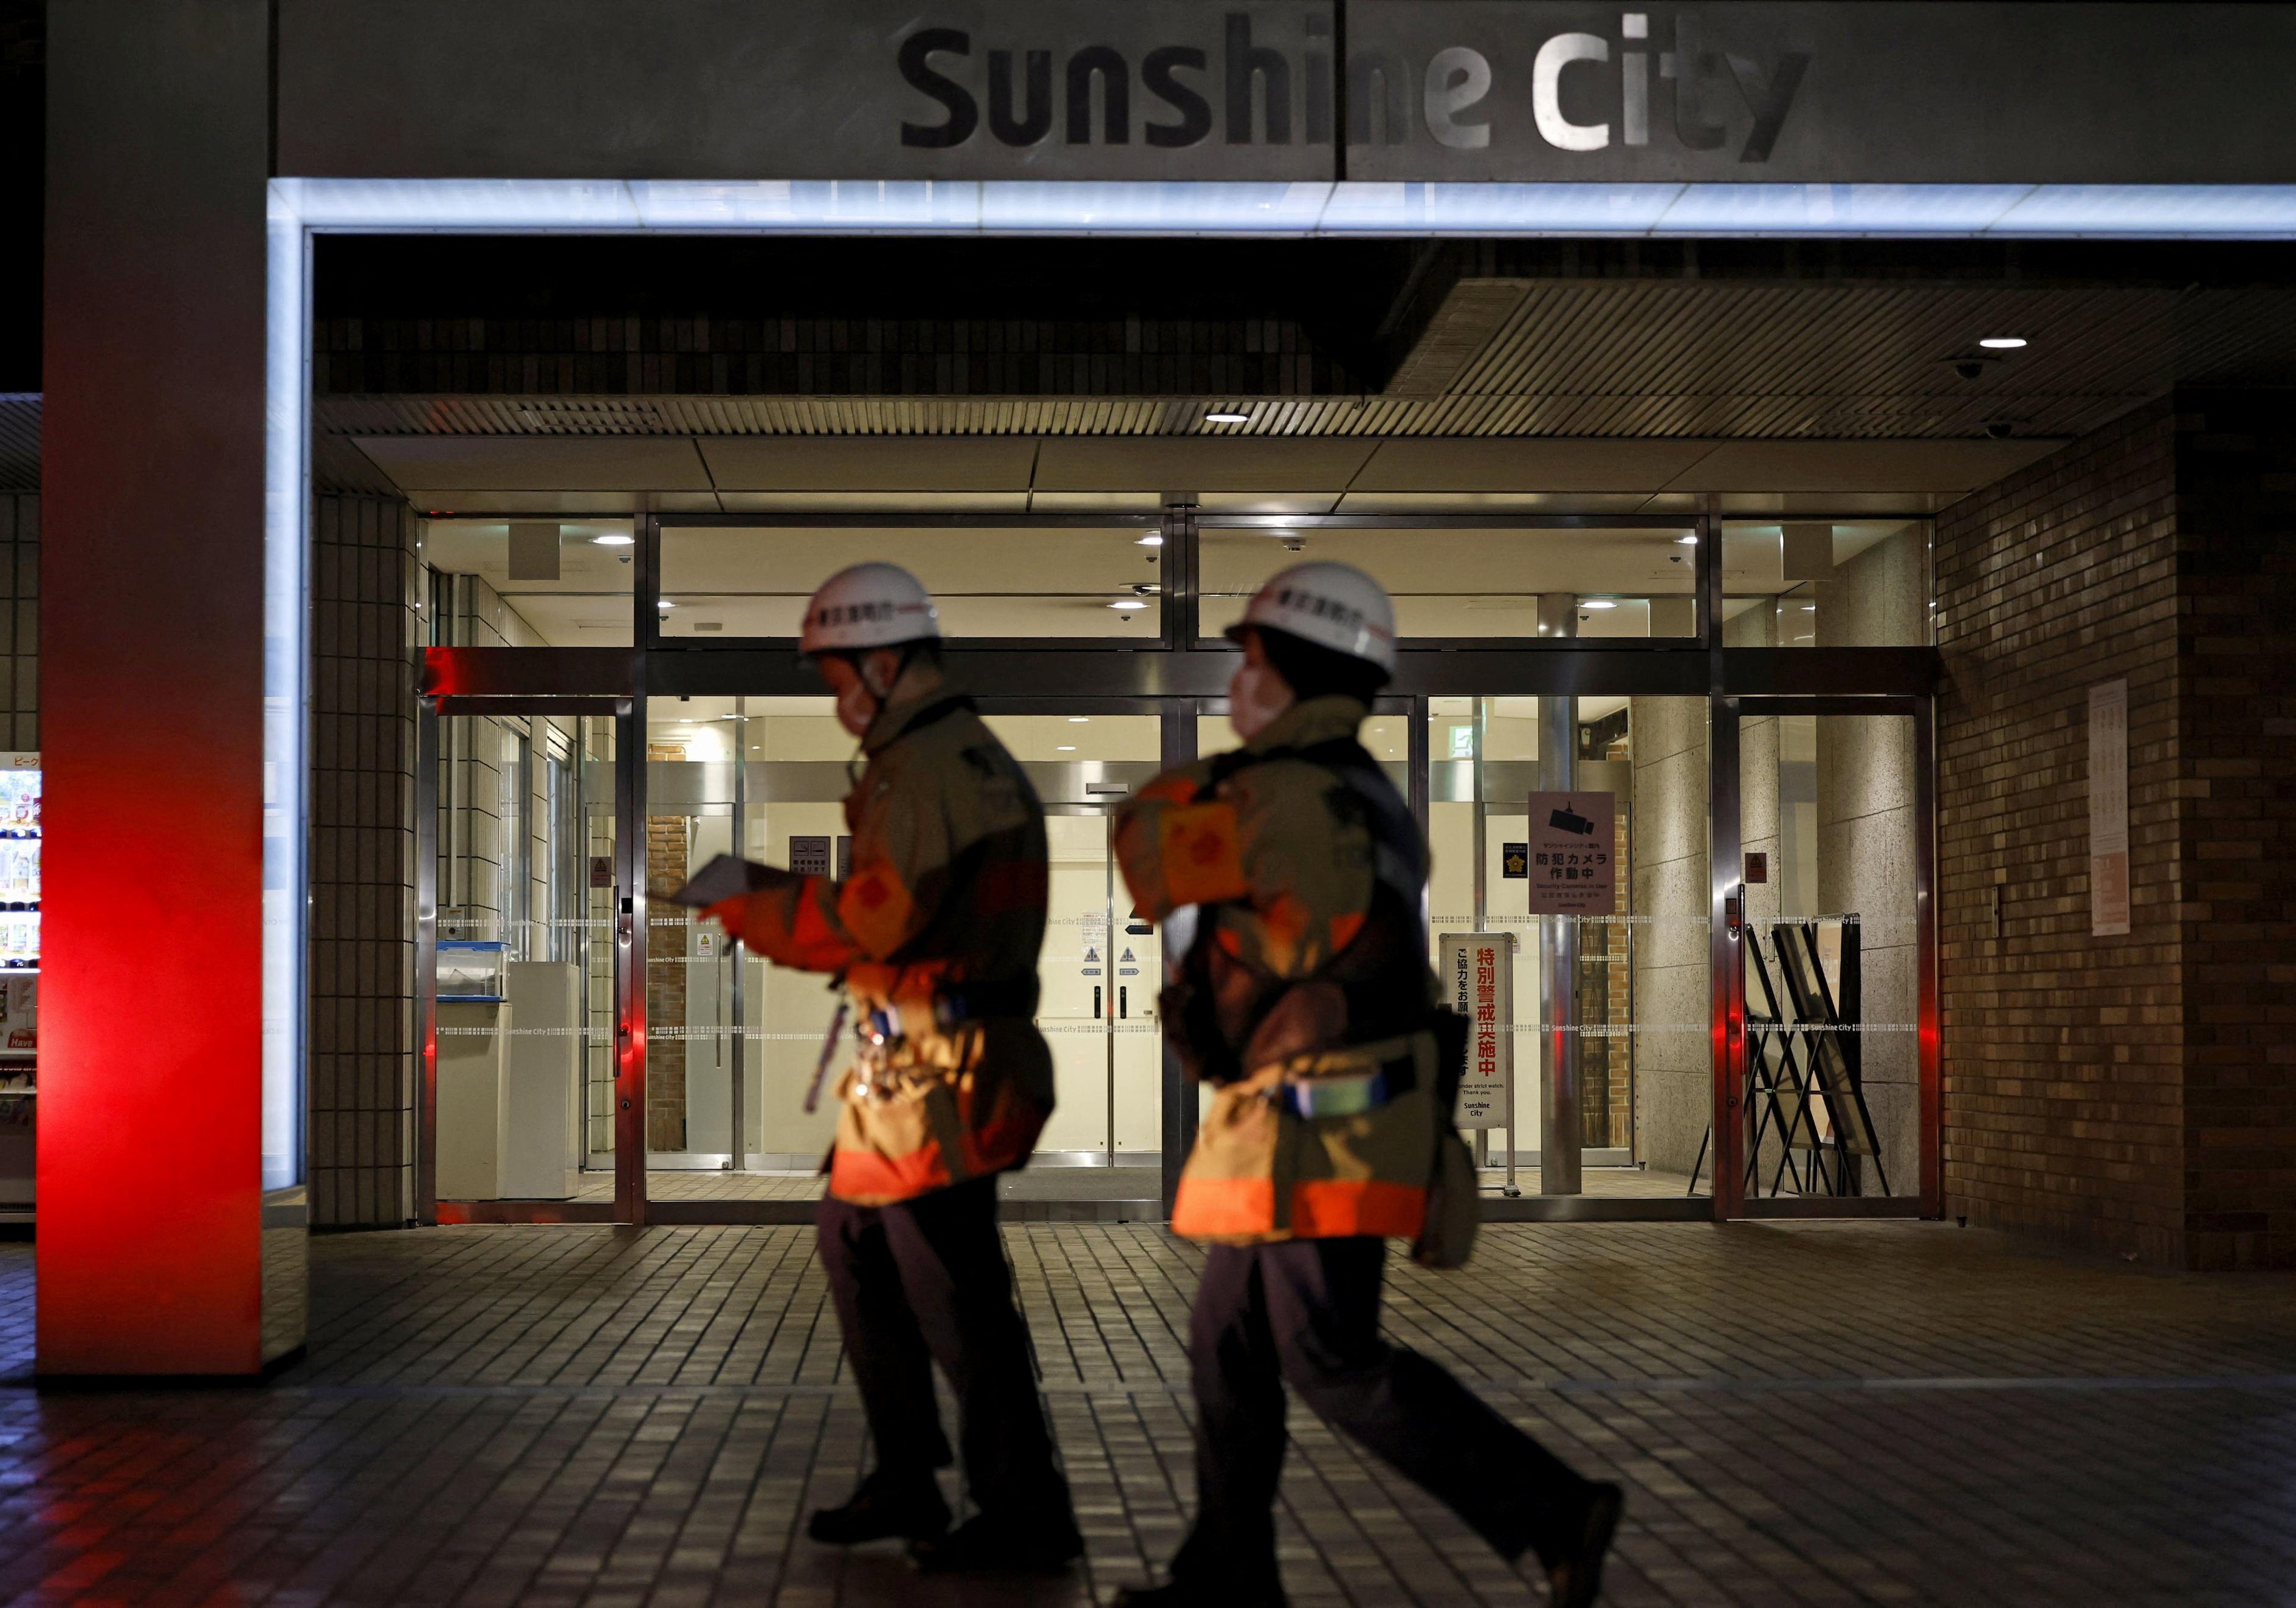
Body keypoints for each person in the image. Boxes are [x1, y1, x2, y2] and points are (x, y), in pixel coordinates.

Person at [1107, 562, 1624, 1608]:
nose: (1236, 680)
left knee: (1327, 1352)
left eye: (1251, 658)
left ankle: (1553, 1508)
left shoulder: (1299, 791)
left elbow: (1192, 867)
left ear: (1299, 667)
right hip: (1301, 1115)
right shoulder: (1336, 784)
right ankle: (1227, 1572)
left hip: (1325, 1118)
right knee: (1229, 1338)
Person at [660, 562, 1082, 1575]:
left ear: (883, 663)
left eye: (836, 674)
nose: (834, 696)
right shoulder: (933, 759)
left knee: (957, 1293)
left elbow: (875, 919)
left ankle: (1022, 1508)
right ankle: (909, 1471)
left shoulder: (934, 765)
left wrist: (750, 898)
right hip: (924, 1069)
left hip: (945, 1072)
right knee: (859, 1245)